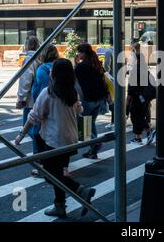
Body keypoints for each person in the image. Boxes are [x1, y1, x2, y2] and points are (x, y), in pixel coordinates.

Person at [17, 58, 96, 218]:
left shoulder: (48, 92)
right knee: (59, 173)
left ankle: (81, 190)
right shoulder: (72, 93)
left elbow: (34, 117)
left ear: (54, 74)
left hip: (54, 140)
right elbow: (79, 110)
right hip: (70, 140)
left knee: (48, 174)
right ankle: (59, 206)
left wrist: (21, 134)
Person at [16, 44, 60, 176]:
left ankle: (41, 165)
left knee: (37, 133)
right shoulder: (60, 66)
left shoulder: (42, 69)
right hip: (59, 106)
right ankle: (58, 166)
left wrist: (21, 98)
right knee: (52, 134)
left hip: (42, 105)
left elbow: (40, 89)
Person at [75, 43, 109, 159]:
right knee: (91, 123)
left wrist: (76, 64)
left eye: (79, 52)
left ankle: (95, 144)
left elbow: (74, 81)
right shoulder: (97, 64)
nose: (78, 54)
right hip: (99, 99)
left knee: (85, 126)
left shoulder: (81, 67)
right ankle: (92, 150)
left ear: (84, 53)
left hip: (87, 100)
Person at [16, 36, 41, 175]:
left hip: (31, 99)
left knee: (30, 126)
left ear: (27, 45)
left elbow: (26, 79)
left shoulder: (29, 59)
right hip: (40, 98)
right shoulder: (40, 58)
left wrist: (21, 97)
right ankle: (40, 155)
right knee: (36, 128)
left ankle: (39, 157)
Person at [127, 42, 156, 145]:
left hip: (136, 97)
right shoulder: (145, 69)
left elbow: (131, 87)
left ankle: (149, 130)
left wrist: (128, 99)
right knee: (139, 116)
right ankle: (138, 137)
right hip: (145, 97)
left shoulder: (135, 70)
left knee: (135, 116)